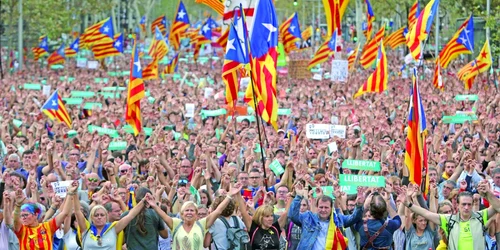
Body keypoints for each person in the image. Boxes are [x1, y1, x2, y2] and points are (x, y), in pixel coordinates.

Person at [404, 180, 500, 250]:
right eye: (463, 204)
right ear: (457, 205)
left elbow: (498, 207)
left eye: (469, 204)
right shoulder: (449, 220)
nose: (466, 207)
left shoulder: (480, 216)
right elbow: (426, 213)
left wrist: (488, 193)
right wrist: (408, 204)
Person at [146, 184, 242, 250]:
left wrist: (229, 196)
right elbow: (163, 216)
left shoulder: (202, 224)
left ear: (196, 214)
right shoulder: (175, 223)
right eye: (186, 210)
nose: (189, 213)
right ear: (182, 214)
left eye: (192, 210)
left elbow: (218, 211)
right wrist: (154, 205)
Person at [288, 182, 365, 250]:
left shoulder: (338, 219)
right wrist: (298, 196)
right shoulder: (308, 218)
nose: (323, 210)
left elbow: (354, 218)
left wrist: (359, 205)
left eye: (326, 207)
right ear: (317, 207)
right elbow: (293, 216)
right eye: (321, 207)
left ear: (331, 208)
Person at [72, 181, 146, 249]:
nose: (99, 217)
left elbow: (130, 216)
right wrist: (75, 193)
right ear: (92, 218)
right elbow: (77, 211)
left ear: (106, 216)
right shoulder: (86, 228)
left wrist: (143, 201)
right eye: (96, 215)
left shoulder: (113, 228)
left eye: (102, 215)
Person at [3, 185, 73, 250]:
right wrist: (17, 205)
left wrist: (70, 193)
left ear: (36, 215)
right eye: (22, 215)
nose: (23, 218)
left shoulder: (47, 227)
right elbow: (10, 221)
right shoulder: (22, 230)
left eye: (26, 215)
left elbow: (64, 213)